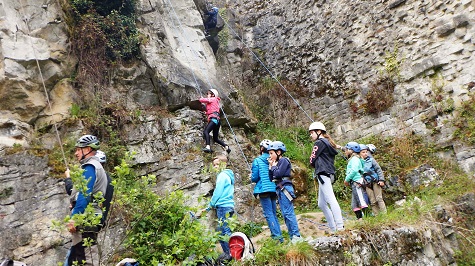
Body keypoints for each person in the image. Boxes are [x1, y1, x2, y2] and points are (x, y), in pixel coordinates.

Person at [64, 135, 108, 266]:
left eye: (78, 149)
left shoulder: (90, 166)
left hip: (87, 218)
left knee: (86, 259)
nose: (76, 153)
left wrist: (75, 218)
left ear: (87, 149)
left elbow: (84, 194)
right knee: (80, 257)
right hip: (91, 217)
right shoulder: (96, 166)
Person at [308, 122, 345, 232]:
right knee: (321, 204)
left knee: (331, 199)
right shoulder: (328, 143)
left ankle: (339, 226)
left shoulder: (319, 142)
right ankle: (333, 228)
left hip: (323, 173)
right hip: (328, 173)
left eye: (312, 133)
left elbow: (311, 159)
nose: (310, 135)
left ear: (318, 132)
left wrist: (313, 163)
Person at [267, 141, 302, 242]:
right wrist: (270, 167)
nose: (270, 156)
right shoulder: (276, 164)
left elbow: (278, 174)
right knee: (285, 214)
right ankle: (292, 237)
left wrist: (273, 167)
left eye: (271, 153)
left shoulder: (284, 161)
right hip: (280, 189)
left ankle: (296, 235)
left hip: (285, 188)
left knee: (289, 213)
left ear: (278, 152)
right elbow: (271, 178)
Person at [250, 139, 283, 242]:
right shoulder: (273, 160)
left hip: (263, 189)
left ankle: (276, 237)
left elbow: (255, 177)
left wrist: (251, 176)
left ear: (261, 149)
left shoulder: (257, 160)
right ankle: (279, 237)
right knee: (273, 213)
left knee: (269, 214)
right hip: (273, 188)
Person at [205, 155, 235, 260]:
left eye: (218, 164)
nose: (216, 167)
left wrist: (210, 205)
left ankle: (229, 254)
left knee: (224, 231)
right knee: (222, 229)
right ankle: (229, 253)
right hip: (229, 205)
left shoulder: (222, 176)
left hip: (223, 206)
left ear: (224, 164)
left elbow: (218, 192)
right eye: (214, 165)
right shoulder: (229, 175)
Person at [199, 89, 231, 154]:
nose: (207, 95)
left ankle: (208, 147)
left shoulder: (213, 99)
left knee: (206, 132)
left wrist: (201, 99)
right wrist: (207, 112)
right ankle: (226, 146)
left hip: (214, 119)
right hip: (217, 120)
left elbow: (202, 100)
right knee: (215, 138)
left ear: (213, 95)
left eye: (208, 93)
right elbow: (211, 110)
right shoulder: (215, 102)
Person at [344, 142, 369, 220]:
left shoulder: (355, 159)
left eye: (347, 149)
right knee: (354, 205)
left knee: (361, 201)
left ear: (351, 150)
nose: (345, 151)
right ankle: (360, 219)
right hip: (354, 182)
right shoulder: (354, 158)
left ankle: (368, 220)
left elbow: (354, 170)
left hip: (356, 182)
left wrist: (347, 179)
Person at [360, 144, 387, 215]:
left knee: (379, 198)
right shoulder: (358, 163)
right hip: (366, 184)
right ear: (359, 153)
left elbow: (378, 170)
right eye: (363, 152)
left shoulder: (371, 160)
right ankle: (376, 215)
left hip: (375, 181)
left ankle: (384, 215)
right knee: (372, 201)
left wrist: (381, 180)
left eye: (366, 152)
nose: (365, 153)